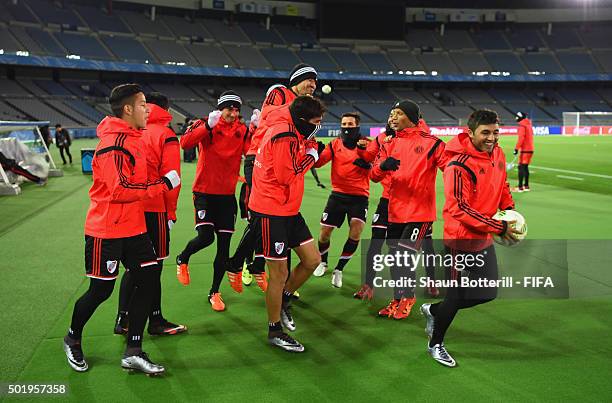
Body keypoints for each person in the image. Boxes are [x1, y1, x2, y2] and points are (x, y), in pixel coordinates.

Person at [62, 84, 180, 375]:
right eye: (142, 105)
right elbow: (120, 189)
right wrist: (163, 185)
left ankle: (134, 351)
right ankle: (72, 338)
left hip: (134, 227)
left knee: (149, 277)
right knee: (101, 290)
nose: (147, 110)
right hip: (107, 230)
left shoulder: (134, 138)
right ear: (128, 109)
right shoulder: (115, 144)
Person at [420, 109, 520, 367]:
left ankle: (433, 311)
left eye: (495, 132)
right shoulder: (457, 164)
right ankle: (436, 344)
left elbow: (502, 183)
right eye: (485, 132)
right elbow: (458, 208)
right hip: (460, 240)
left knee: (487, 293)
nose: (491, 137)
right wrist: (498, 227)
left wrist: (509, 210)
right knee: (456, 294)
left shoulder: (496, 152)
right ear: (470, 133)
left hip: (483, 238)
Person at [228, 63, 318, 288]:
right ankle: (241, 263)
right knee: (263, 216)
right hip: (260, 158)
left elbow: (305, 136)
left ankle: (264, 271)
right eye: (309, 80)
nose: (313, 85)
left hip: (286, 159)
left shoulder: (305, 106)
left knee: (280, 219)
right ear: (297, 80)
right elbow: (269, 117)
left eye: (315, 82)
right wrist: (299, 114)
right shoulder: (280, 92)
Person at [249, 96, 325, 352]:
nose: (318, 126)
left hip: (287, 209)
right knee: (278, 275)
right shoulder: (284, 136)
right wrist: (311, 157)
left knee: (312, 260)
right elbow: (285, 176)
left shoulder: (291, 130)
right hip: (272, 211)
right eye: (316, 122)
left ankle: (283, 300)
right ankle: (274, 330)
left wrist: (308, 146)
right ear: (302, 120)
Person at [114, 92, 185, 336]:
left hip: (132, 207)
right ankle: (155, 320)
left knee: (135, 266)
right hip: (155, 207)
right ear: (166, 109)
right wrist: (171, 212)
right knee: (153, 267)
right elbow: (172, 178)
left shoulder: (132, 130)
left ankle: (122, 318)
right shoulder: (166, 134)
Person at [370, 100, 447, 320]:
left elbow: (449, 169)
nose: (392, 117)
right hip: (395, 211)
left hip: (420, 212)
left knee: (404, 254)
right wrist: (382, 166)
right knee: (395, 257)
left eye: (398, 113)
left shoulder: (433, 143)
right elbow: (374, 176)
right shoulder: (389, 143)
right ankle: (397, 298)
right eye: (391, 113)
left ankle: (409, 297)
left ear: (411, 117)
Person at [175, 91, 251, 312]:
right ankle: (183, 257)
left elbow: (252, 153)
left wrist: (256, 130)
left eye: (237, 109)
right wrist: (207, 126)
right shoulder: (206, 124)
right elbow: (185, 143)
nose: (233, 113)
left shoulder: (242, 130)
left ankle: (215, 292)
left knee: (224, 248)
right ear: (220, 108)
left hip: (227, 197)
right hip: (204, 194)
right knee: (206, 237)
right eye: (229, 108)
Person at [312, 112, 375, 288]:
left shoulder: (366, 144)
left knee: (355, 232)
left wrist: (368, 163)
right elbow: (318, 163)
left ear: (357, 126)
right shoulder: (334, 145)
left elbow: (379, 167)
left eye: (350, 124)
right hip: (338, 195)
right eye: (344, 124)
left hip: (360, 196)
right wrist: (315, 152)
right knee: (324, 233)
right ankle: (323, 262)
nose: (347, 127)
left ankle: (339, 269)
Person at [513, 111, 534, 192]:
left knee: (521, 167)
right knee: (525, 167)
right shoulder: (528, 125)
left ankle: (520, 187)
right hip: (530, 149)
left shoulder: (522, 126)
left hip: (525, 150)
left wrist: (516, 149)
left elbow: (521, 138)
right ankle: (526, 186)